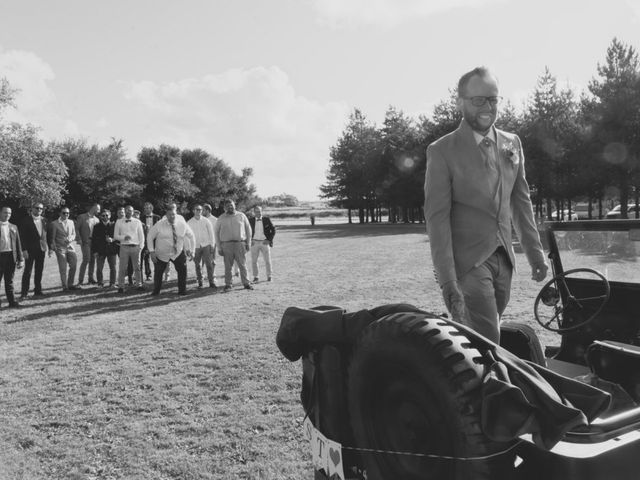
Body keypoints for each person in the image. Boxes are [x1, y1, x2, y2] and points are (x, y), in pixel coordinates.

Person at [424, 66, 548, 343]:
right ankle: (493, 384)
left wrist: (535, 254)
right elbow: (437, 218)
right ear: (460, 102)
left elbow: (521, 201)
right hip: (467, 263)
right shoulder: (441, 151)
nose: (487, 106)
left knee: (488, 332)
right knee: (487, 338)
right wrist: (447, 280)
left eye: (492, 99)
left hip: (504, 258)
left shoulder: (512, 143)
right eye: (478, 99)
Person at [146, 208, 195, 296]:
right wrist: (152, 252)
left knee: (182, 271)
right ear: (166, 215)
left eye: (174, 214)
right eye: (170, 214)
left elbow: (191, 236)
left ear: (176, 214)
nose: (172, 216)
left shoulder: (182, 224)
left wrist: (192, 250)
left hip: (177, 253)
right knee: (158, 273)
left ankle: (182, 291)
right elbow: (150, 236)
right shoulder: (159, 224)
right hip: (162, 254)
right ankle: (156, 291)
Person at [214, 199, 253, 292]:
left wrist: (248, 243)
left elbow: (248, 230)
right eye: (227, 206)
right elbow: (216, 232)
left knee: (242, 265)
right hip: (226, 245)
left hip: (240, 244)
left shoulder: (241, 216)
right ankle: (228, 285)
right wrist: (219, 247)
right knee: (228, 266)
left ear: (234, 205)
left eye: (231, 205)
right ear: (224, 208)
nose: (229, 207)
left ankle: (246, 283)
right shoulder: (221, 218)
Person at [19, 202, 48, 299]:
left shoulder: (45, 220)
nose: (39, 210)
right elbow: (22, 237)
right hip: (29, 250)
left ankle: (38, 291)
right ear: (32, 208)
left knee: (39, 270)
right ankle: (24, 293)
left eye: (41, 208)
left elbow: (45, 235)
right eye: (37, 208)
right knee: (28, 271)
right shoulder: (25, 220)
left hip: (41, 249)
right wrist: (24, 250)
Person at [113, 205, 145, 293]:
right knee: (122, 267)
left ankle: (139, 285)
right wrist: (123, 237)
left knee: (137, 267)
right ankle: (121, 286)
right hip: (124, 247)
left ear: (133, 211)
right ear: (125, 211)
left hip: (135, 247)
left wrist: (141, 247)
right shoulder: (119, 222)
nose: (128, 212)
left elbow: (141, 236)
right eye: (127, 210)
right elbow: (115, 236)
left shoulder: (137, 222)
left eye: (130, 210)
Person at [49, 206, 80, 291]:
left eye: (68, 213)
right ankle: (65, 286)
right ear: (60, 213)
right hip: (60, 248)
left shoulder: (71, 222)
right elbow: (52, 238)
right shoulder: (54, 224)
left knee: (73, 265)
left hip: (70, 247)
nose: (66, 214)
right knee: (63, 268)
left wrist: (71, 238)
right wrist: (54, 248)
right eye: (64, 213)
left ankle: (70, 284)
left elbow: (74, 234)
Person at [0, 206, 24, 308]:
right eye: (5, 212)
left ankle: (12, 302)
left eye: (9, 213)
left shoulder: (13, 227)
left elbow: (18, 244)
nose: (7, 215)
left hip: (11, 256)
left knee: (9, 280)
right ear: (0, 213)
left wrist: (20, 259)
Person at [187, 204, 216, 289]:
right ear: (193, 211)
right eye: (197, 209)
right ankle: (200, 282)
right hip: (195, 247)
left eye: (200, 210)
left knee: (209, 265)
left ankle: (211, 282)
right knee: (197, 265)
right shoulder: (189, 222)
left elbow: (211, 233)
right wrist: (188, 249)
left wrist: (212, 245)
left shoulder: (206, 221)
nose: (199, 211)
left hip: (206, 245)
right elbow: (187, 236)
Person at [91, 209, 118, 288]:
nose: (105, 217)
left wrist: (112, 239)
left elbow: (117, 237)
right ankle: (100, 283)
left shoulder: (114, 225)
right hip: (100, 250)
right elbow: (94, 240)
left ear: (110, 216)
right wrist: (95, 251)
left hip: (112, 249)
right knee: (99, 268)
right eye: (103, 215)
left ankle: (112, 283)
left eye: (107, 215)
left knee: (113, 268)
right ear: (100, 216)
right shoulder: (96, 226)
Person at [249, 205, 276, 282]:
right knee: (254, 261)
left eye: (260, 211)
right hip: (254, 243)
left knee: (267, 260)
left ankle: (269, 276)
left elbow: (273, 230)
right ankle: (256, 277)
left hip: (265, 242)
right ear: (254, 212)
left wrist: (269, 240)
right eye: (257, 211)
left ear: (262, 211)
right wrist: (250, 240)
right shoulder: (250, 220)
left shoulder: (267, 219)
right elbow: (246, 231)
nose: (259, 213)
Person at [76, 203, 100, 285]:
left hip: (94, 243)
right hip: (85, 242)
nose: (99, 211)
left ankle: (91, 278)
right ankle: (80, 280)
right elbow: (77, 229)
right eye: (98, 209)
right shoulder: (82, 217)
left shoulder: (97, 220)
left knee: (93, 261)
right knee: (86, 259)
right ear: (93, 208)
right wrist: (79, 239)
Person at [140, 202, 160, 281]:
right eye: (145, 208)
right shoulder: (141, 218)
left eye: (148, 208)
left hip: (156, 240)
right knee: (146, 258)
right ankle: (148, 275)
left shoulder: (157, 217)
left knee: (156, 257)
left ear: (151, 208)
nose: (146, 209)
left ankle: (157, 274)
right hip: (145, 240)